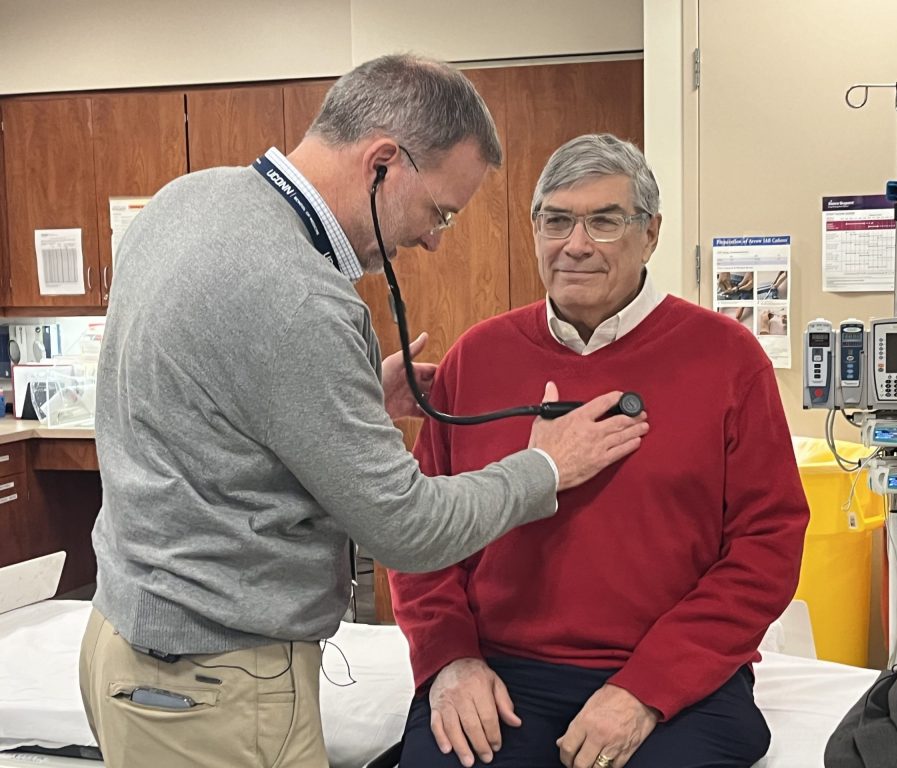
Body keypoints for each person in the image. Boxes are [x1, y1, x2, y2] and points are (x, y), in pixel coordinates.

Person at [80, 57, 649, 768]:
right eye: (439, 211)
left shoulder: (188, 200)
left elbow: (205, 402)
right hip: (211, 677)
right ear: (383, 162)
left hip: (123, 639)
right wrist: (547, 467)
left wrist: (345, 404)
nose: (435, 240)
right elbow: (408, 531)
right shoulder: (304, 297)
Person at [389, 134, 809, 768]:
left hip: (675, 678)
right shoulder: (478, 357)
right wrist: (449, 658)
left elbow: (767, 546)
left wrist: (645, 689)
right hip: (502, 671)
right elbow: (421, 532)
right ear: (535, 230)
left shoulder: (727, 359)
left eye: (604, 222)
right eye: (556, 220)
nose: (575, 244)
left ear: (651, 233)